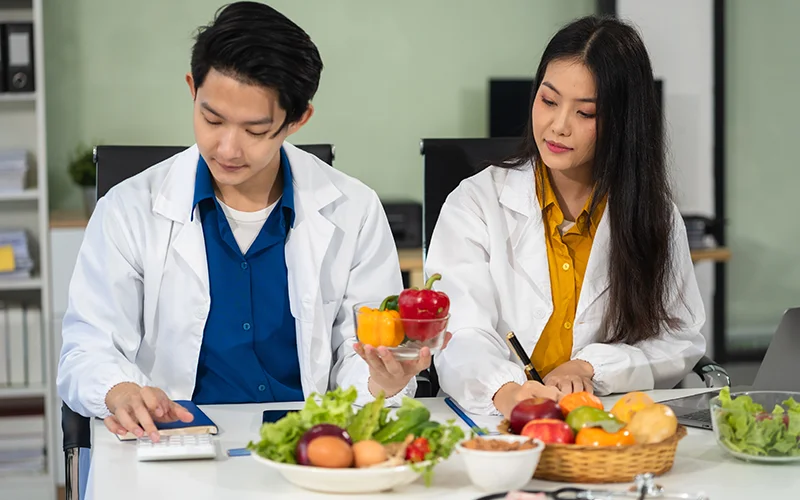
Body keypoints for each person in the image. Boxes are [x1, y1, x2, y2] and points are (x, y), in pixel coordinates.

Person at [57, 2, 432, 442]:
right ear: (192, 89)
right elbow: (88, 346)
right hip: (179, 441)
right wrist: (119, 389)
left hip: (307, 448)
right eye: (211, 119)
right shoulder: (129, 209)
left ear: (298, 119)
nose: (228, 149)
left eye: (255, 131)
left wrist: (379, 382)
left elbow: (361, 353)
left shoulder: (354, 210)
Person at [424, 15, 706, 418]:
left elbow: (679, 339)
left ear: (623, 123)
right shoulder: (477, 202)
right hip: (496, 420)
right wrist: (505, 391)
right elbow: (460, 333)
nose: (558, 126)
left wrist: (592, 367)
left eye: (585, 113)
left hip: (606, 419)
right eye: (549, 101)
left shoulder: (654, 214)